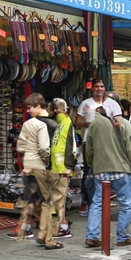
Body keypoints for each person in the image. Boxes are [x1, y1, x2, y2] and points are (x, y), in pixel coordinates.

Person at [83, 103, 131, 249]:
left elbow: (88, 147)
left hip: (101, 169)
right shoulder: (125, 124)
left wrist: (92, 163)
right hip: (121, 169)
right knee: (126, 204)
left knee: (97, 203)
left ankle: (92, 236)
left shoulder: (95, 124)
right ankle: (122, 236)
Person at [15, 93, 64, 250]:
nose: (28, 110)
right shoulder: (47, 124)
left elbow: (21, 146)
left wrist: (28, 158)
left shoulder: (28, 124)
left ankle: (42, 234)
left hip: (30, 166)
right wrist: (46, 159)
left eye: (29, 107)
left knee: (41, 202)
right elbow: (45, 147)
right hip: (44, 166)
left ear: (37, 105)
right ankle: (49, 238)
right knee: (51, 202)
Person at [75, 79, 120, 216]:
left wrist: (105, 123)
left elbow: (119, 122)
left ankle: (102, 201)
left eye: (102, 86)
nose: (99, 89)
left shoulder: (112, 104)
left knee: (105, 171)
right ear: (92, 88)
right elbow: (77, 122)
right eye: (97, 86)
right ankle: (87, 201)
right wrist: (89, 124)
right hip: (89, 142)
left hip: (107, 142)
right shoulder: (85, 103)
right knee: (88, 173)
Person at [48, 99, 77, 238]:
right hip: (57, 167)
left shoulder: (67, 123)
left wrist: (69, 167)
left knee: (59, 199)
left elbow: (72, 147)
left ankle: (63, 227)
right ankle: (62, 226)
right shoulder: (60, 124)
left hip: (62, 168)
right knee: (57, 199)